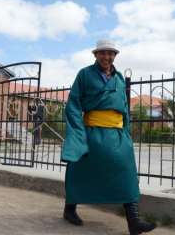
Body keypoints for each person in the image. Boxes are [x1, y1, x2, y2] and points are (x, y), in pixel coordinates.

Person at [61, 40, 156, 235]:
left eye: (111, 53)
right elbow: (73, 104)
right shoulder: (85, 74)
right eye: (103, 53)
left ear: (115, 56)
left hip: (118, 135)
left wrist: (127, 133)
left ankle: (134, 221)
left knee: (127, 172)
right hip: (92, 132)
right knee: (79, 170)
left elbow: (124, 110)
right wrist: (78, 133)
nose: (107, 57)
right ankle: (69, 210)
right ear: (95, 55)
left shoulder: (120, 78)